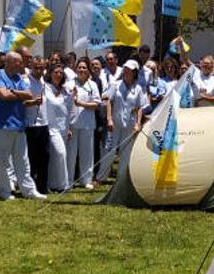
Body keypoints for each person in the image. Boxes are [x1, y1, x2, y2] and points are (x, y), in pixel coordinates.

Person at [0, 52, 47, 201]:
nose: (22, 65)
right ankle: (5, 190)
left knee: (22, 159)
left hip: (19, 124)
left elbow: (28, 95)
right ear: (9, 62)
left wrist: (14, 92)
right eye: (19, 62)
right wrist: (19, 95)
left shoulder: (18, 78)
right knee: (3, 160)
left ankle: (28, 190)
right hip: (3, 124)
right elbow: (3, 95)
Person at [97, 60, 147, 182]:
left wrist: (138, 123)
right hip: (115, 123)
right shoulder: (116, 84)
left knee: (126, 152)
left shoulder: (139, 88)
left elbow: (139, 107)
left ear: (134, 72)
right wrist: (109, 119)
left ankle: (121, 179)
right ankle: (101, 177)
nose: (126, 72)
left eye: (129, 70)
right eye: (125, 69)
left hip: (129, 124)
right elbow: (110, 101)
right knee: (109, 150)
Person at [68, 57, 101, 190]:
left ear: (88, 70)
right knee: (71, 153)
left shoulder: (92, 85)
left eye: (84, 68)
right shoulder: (70, 83)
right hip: (72, 123)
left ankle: (86, 179)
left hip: (87, 124)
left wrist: (82, 104)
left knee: (87, 153)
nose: (81, 70)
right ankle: (69, 180)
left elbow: (97, 104)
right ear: (76, 69)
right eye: (79, 67)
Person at [44, 64, 74, 192]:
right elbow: (53, 103)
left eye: (61, 73)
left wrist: (68, 128)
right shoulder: (45, 87)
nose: (58, 75)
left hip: (63, 127)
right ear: (50, 73)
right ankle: (63, 185)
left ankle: (52, 184)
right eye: (56, 72)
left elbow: (68, 109)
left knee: (56, 157)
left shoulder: (65, 90)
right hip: (51, 127)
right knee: (61, 153)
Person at [24, 54, 50, 194]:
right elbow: (20, 102)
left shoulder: (43, 82)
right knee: (31, 158)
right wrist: (33, 102)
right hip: (31, 125)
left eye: (42, 68)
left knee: (44, 157)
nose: (39, 71)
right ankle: (31, 186)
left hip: (44, 123)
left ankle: (43, 186)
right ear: (31, 67)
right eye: (36, 68)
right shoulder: (26, 82)